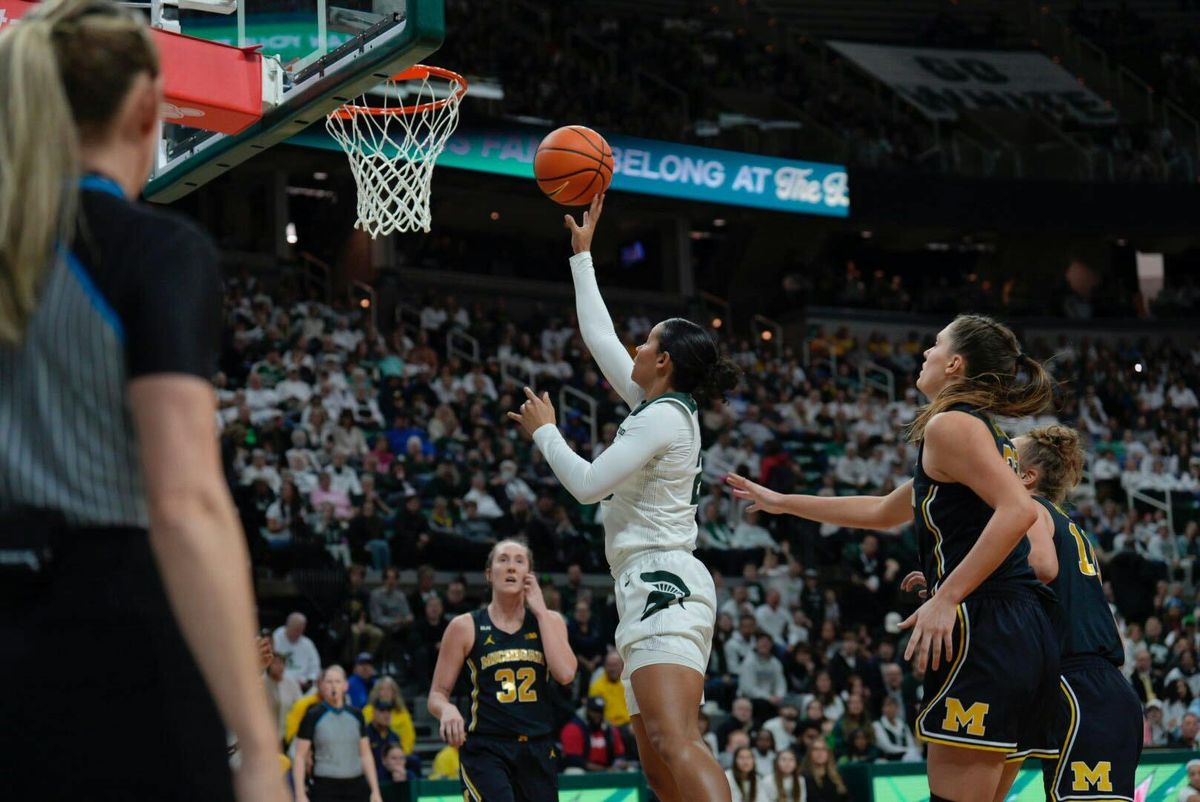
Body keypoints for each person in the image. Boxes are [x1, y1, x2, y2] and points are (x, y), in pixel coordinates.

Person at [0, 1, 285, 799]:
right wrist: (259, 749)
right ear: (142, 108)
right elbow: (185, 502)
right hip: (112, 644)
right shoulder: (151, 250)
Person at [729, 314, 1059, 802]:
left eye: (935, 345)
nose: (925, 353)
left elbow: (1018, 512)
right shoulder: (985, 435)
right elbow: (884, 511)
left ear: (954, 363)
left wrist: (947, 597)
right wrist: (783, 502)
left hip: (988, 623)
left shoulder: (953, 425)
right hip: (1020, 625)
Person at [508, 193, 740, 802]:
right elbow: (599, 333)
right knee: (659, 766)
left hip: (664, 579)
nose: (635, 347)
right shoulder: (661, 407)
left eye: (646, 342)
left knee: (675, 742)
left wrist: (546, 433)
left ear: (662, 361)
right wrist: (582, 257)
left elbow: (587, 487)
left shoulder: (660, 418)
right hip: (647, 580)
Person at [994, 425, 1143, 802]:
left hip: (1078, 685)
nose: (995, 461)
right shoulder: (1067, 524)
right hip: (1102, 684)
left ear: (1027, 477)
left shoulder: (1030, 508)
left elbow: (1042, 567)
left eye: (1007, 457)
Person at [427, 539, 577, 802]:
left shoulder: (550, 621)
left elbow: (565, 674)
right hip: (487, 748)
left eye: (519, 561)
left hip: (537, 747)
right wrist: (447, 709)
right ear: (489, 574)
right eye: (503, 559)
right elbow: (436, 695)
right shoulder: (465, 626)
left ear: (528, 575)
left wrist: (541, 611)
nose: (511, 567)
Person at [293, 665, 383, 802]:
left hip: (356, 785)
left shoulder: (357, 715)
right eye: (329, 682)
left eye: (337, 681)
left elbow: (366, 754)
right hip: (325, 786)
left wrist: (375, 791)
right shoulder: (313, 715)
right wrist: (300, 794)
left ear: (345, 686)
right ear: (322, 686)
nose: (333, 686)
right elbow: (299, 756)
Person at [560, 696, 628, 772]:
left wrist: (620, 763)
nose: (597, 715)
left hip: (608, 770)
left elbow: (620, 755)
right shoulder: (573, 728)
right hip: (584, 771)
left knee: (630, 770)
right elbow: (574, 760)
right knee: (574, 771)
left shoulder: (610, 729)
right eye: (594, 711)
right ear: (587, 711)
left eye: (600, 711)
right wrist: (603, 769)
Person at [274, 612, 322, 691]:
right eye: (295, 630)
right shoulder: (275, 639)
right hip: (279, 684)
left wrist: (309, 680)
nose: (297, 633)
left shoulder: (307, 644)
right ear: (288, 626)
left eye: (300, 631)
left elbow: (315, 667)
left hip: (302, 686)